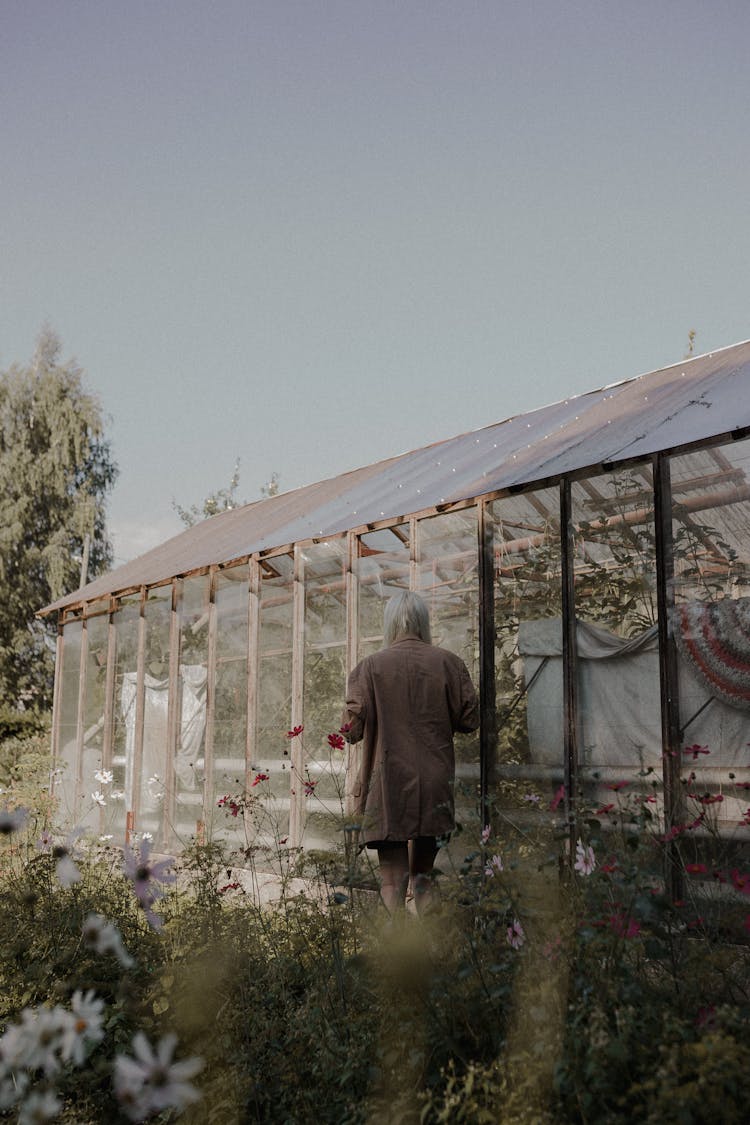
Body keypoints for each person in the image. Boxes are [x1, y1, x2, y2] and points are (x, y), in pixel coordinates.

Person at [342, 590, 479, 914]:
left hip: (388, 784)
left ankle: (395, 960)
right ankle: (432, 955)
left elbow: (350, 731)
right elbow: (470, 720)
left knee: (391, 883)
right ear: (423, 622)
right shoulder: (448, 663)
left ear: (390, 624)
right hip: (434, 784)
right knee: (424, 879)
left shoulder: (370, 667)